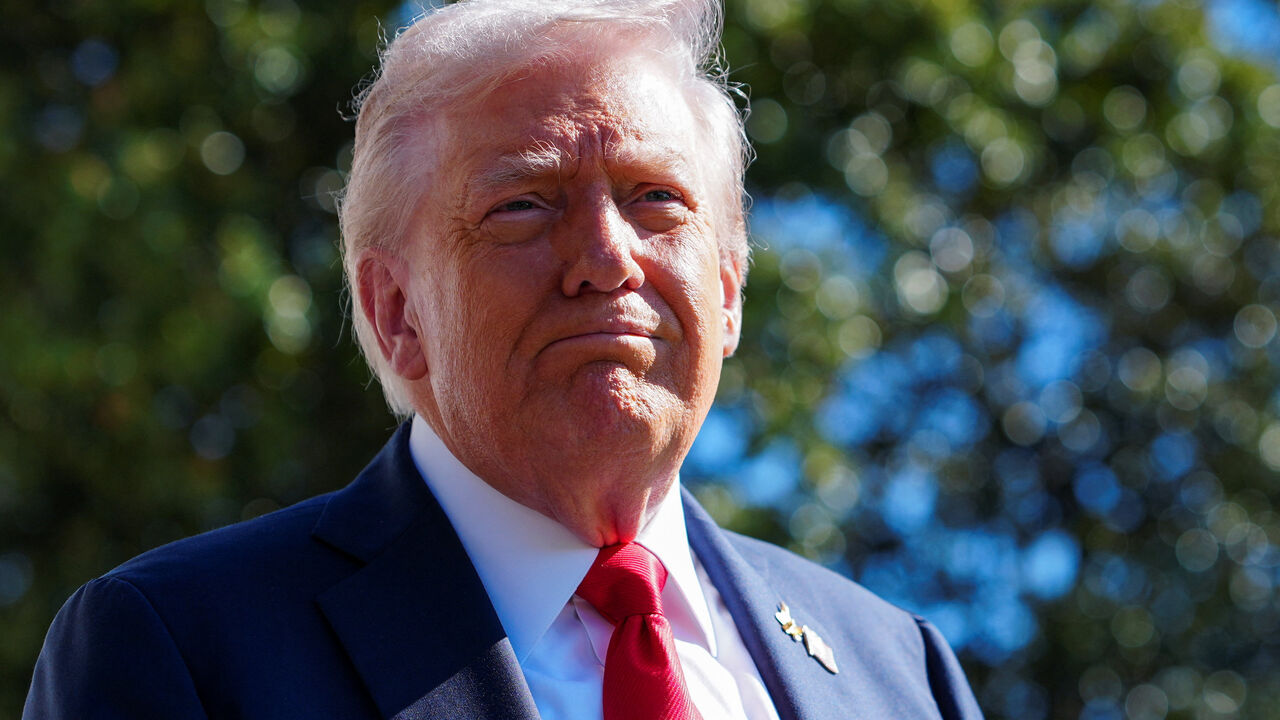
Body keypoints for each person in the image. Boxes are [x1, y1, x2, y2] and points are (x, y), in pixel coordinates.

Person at [24, 1, 984, 718]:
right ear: (396, 311)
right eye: (523, 204)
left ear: (729, 290)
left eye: (656, 199)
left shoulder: (899, 672)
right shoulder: (183, 648)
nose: (608, 258)